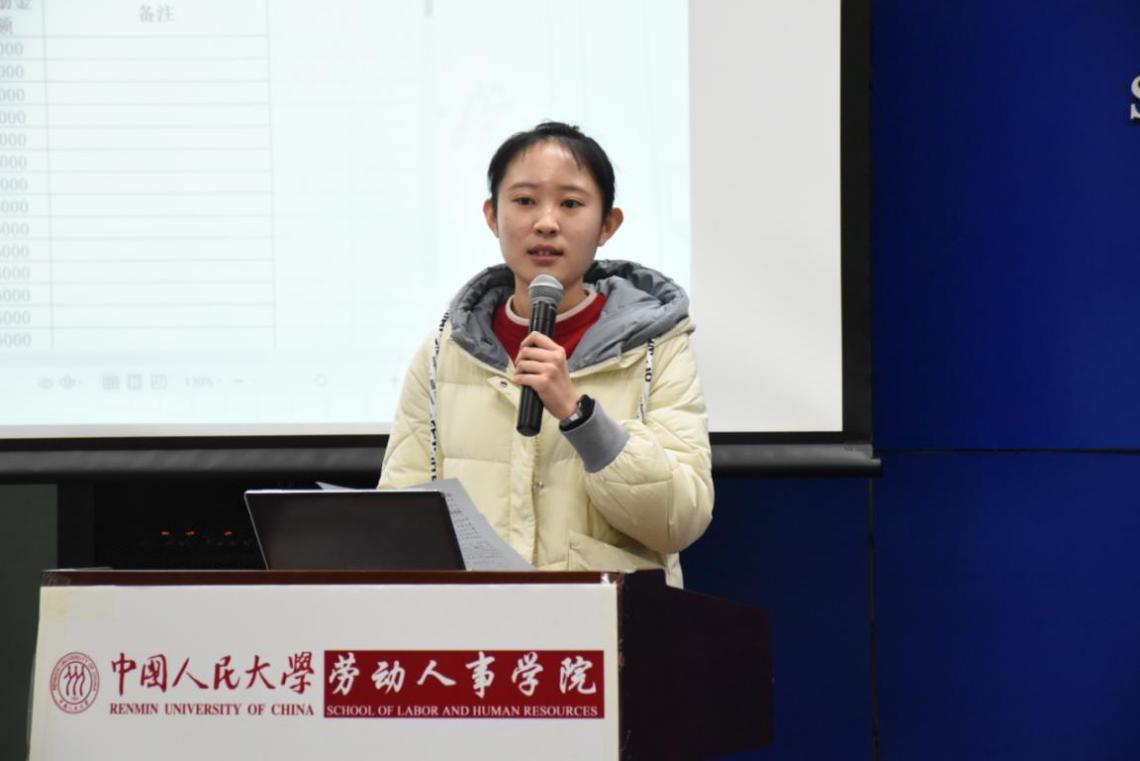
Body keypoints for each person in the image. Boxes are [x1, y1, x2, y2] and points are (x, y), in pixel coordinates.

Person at [379, 121, 712, 586]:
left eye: (571, 204)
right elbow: (401, 520)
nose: (546, 222)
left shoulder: (657, 348)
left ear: (608, 225)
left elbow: (679, 520)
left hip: (607, 618)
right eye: (524, 201)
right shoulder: (444, 353)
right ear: (492, 216)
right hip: (480, 620)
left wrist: (579, 416)